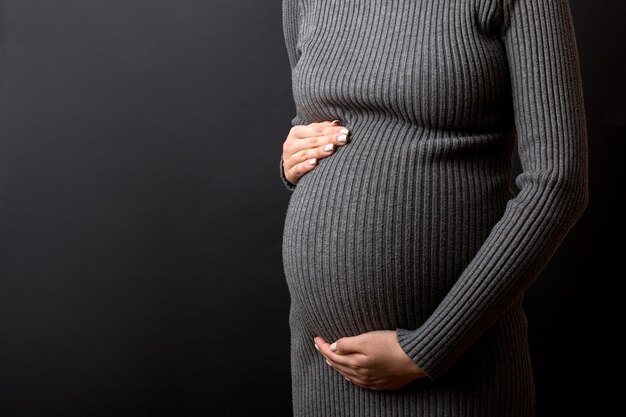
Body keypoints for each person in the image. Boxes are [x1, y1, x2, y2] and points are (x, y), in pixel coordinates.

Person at [278, 0, 588, 416]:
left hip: (457, 370)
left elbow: (558, 183)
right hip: (324, 373)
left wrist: (429, 348)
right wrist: (291, 157)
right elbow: (315, 118)